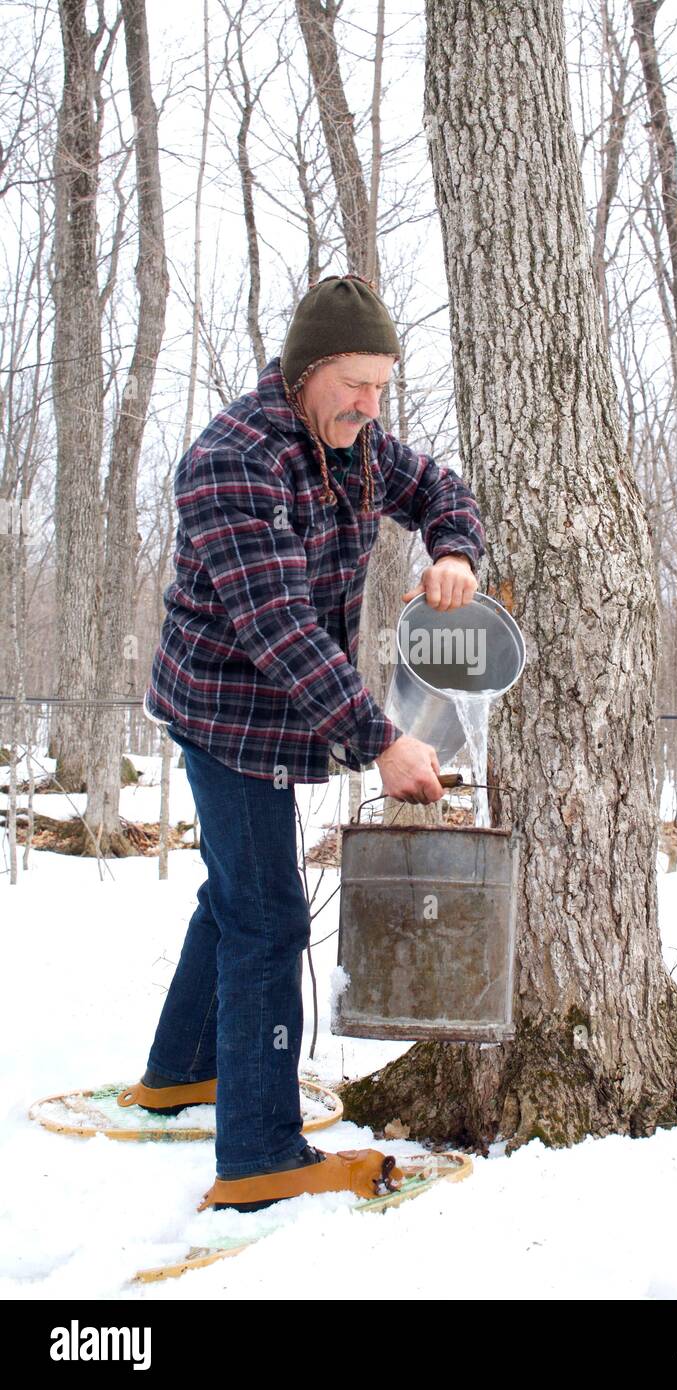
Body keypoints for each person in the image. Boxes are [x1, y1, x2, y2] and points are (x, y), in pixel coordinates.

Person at [135, 273, 486, 1211]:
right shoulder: (233, 460)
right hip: (223, 716)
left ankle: (182, 1072)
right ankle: (258, 1155)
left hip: (283, 716)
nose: (372, 406)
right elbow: (280, 626)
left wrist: (450, 550)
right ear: (305, 370)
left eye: (383, 387)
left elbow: (439, 487)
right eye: (356, 384)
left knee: (235, 895)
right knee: (269, 921)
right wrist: (382, 741)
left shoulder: (359, 446)